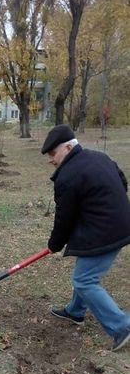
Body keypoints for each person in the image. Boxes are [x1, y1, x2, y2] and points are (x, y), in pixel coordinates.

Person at [41, 124, 130, 351]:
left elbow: (65, 218)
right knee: (85, 271)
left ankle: (122, 326)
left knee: (84, 279)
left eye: (53, 154)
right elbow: (122, 182)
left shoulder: (68, 176)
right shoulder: (99, 157)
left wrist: (54, 245)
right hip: (118, 224)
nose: (50, 160)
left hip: (105, 232)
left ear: (69, 147)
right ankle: (75, 311)